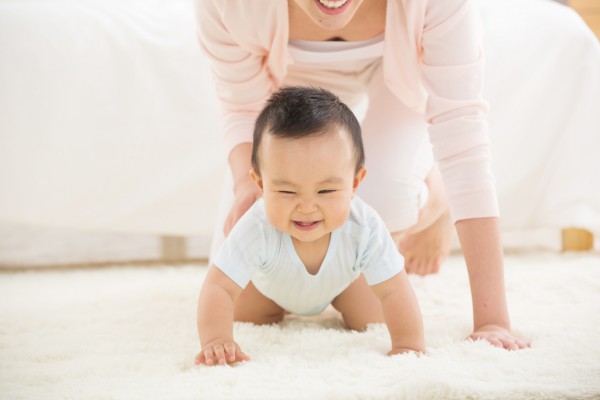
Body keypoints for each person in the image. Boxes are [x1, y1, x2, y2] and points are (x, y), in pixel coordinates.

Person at [194, 0, 530, 350]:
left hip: (402, 78)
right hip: (287, 96)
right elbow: (243, 108)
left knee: (387, 205)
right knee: (241, 288)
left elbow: (462, 134)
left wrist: (493, 321)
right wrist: (246, 187)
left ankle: (435, 200)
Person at [195, 87, 424, 366]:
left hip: (343, 284)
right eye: (287, 192)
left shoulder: (364, 226)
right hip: (269, 289)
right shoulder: (256, 225)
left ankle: (431, 196)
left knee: (372, 316)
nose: (306, 207)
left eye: (326, 191)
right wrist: (216, 340)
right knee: (242, 312)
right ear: (260, 184)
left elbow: (395, 290)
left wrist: (408, 345)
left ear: (354, 183)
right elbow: (218, 287)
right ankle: (271, 308)